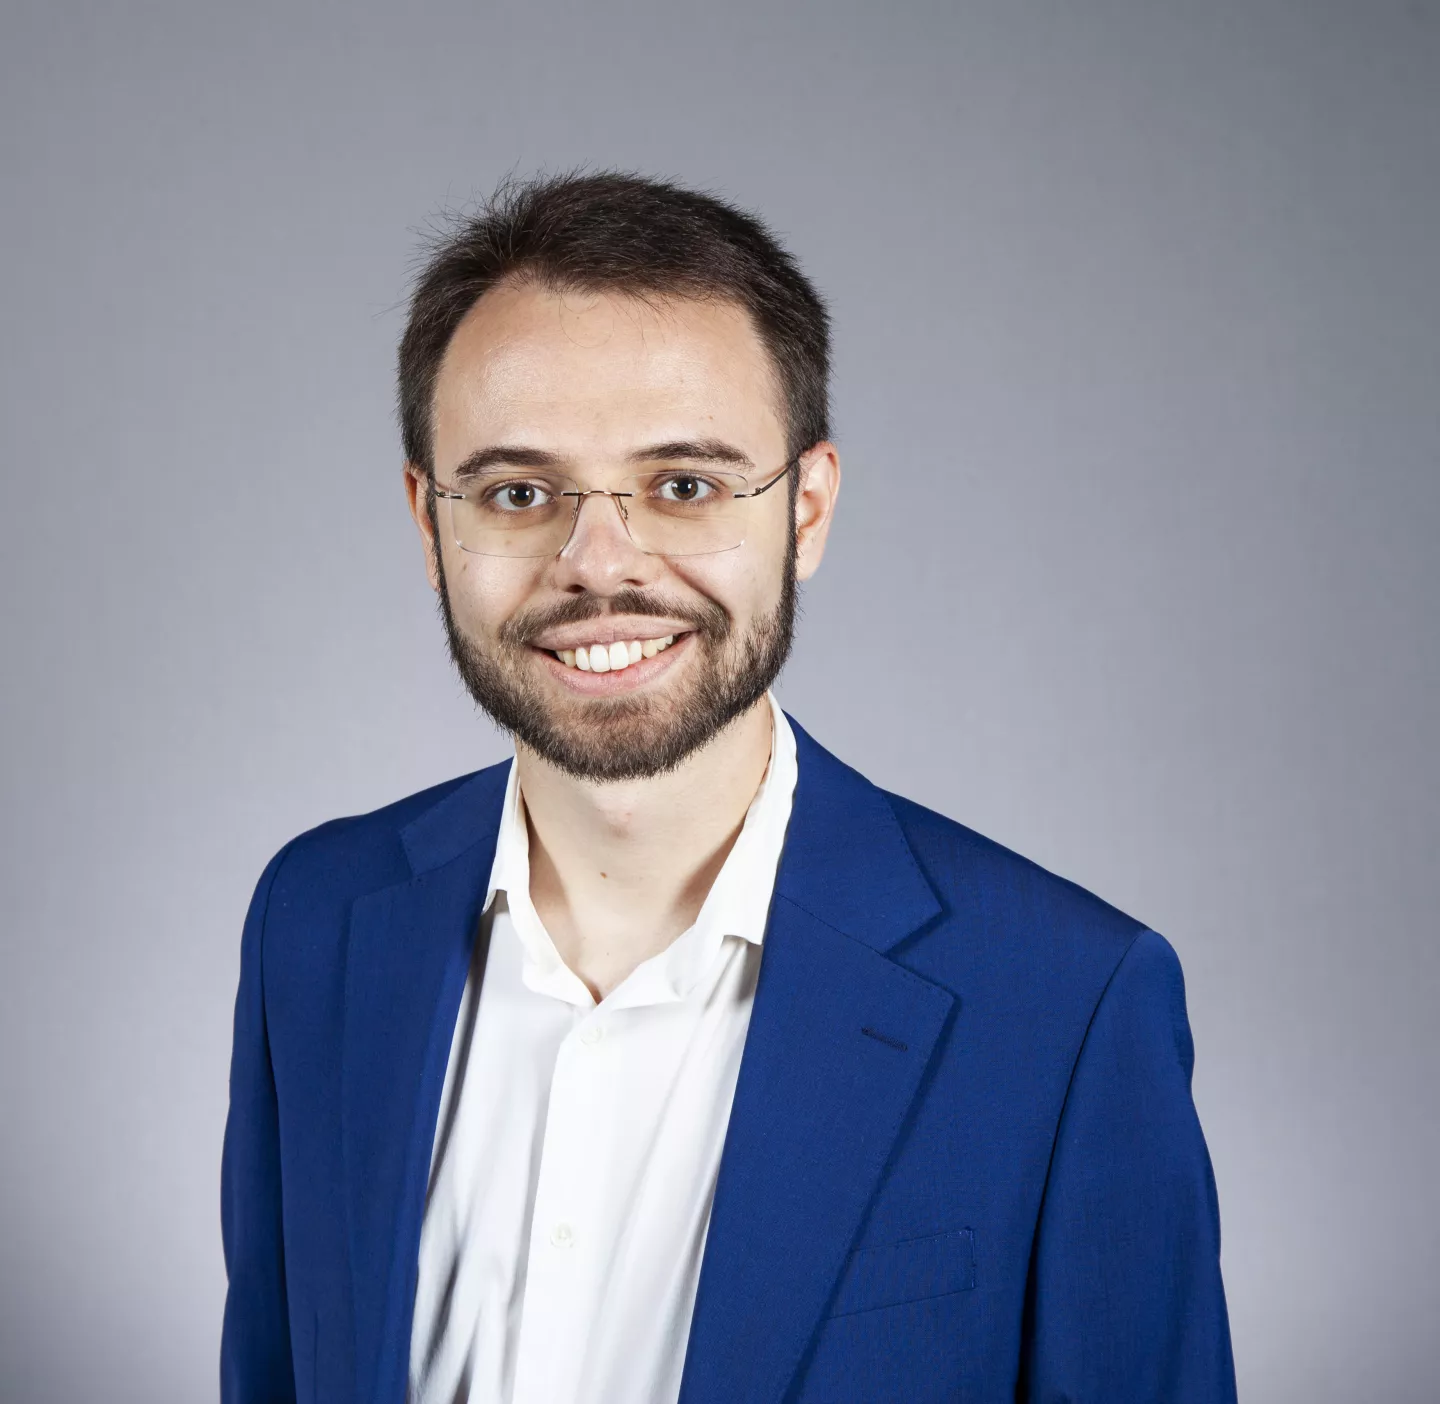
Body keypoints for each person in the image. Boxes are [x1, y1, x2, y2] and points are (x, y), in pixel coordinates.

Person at [220, 171, 1237, 1404]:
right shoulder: (315, 922)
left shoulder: (1069, 1004)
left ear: (805, 511)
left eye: (685, 485)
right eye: (517, 492)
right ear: (429, 527)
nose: (599, 565)